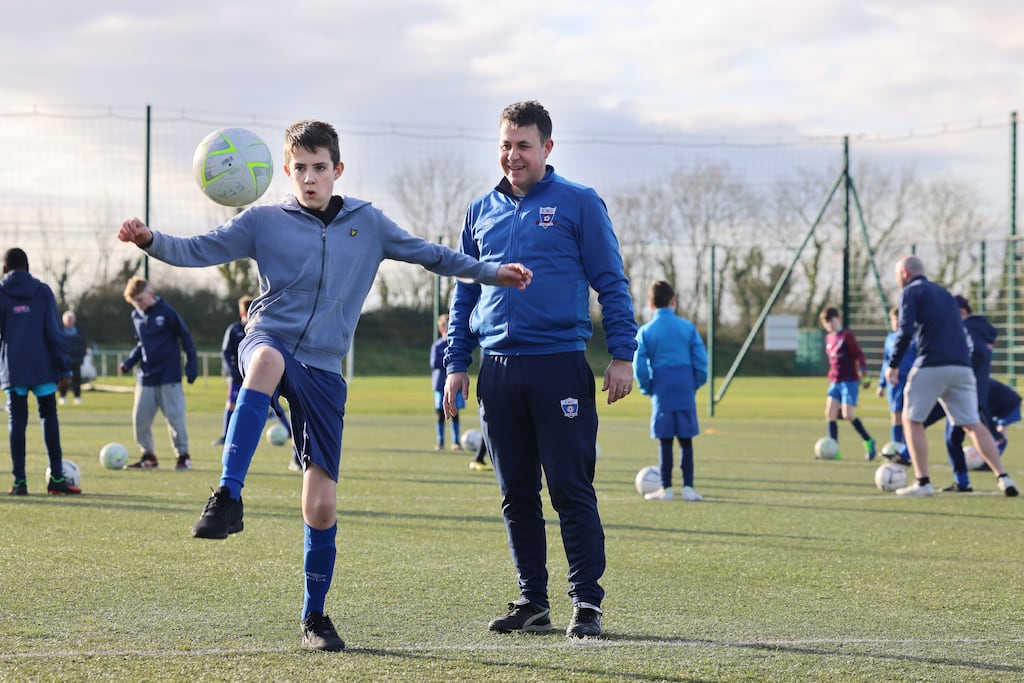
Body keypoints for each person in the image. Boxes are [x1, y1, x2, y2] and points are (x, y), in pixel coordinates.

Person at [116, 119, 532, 652]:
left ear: (338, 170)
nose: (310, 179)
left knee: (322, 505)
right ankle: (227, 495)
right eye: (301, 170)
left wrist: (492, 272)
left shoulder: (369, 222)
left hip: (326, 368)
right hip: (270, 336)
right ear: (286, 172)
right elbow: (199, 249)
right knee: (263, 359)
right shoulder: (263, 221)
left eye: (320, 169)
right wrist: (150, 240)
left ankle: (314, 617)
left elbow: (433, 255)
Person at [443, 101, 637, 639]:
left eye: (523, 145)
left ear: (547, 148)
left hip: (558, 367)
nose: (512, 155)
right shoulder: (479, 210)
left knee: (570, 489)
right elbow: (464, 293)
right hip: (498, 372)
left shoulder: (579, 203)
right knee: (516, 493)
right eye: (505, 144)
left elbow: (612, 283)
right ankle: (533, 600)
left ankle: (586, 602)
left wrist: (622, 354)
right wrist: (456, 363)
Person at [884, 255, 1017, 497]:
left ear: (904, 273)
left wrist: (893, 364)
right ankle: (1004, 477)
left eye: (896, 276)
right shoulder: (944, 293)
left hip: (932, 363)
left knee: (912, 420)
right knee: (973, 424)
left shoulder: (911, 291)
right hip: (962, 368)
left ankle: (923, 482)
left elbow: (905, 330)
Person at [0, 248, 80, 495]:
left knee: (17, 421)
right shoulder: (43, 291)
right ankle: (56, 478)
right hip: (42, 366)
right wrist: (64, 366)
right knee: (48, 416)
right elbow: (54, 332)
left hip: (13, 368)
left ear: (4, 269)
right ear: (28, 266)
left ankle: (19, 482)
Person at [633, 280, 708, 502]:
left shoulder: (646, 331)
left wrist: (647, 387)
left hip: (662, 387)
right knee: (686, 439)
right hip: (684, 384)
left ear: (650, 304)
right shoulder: (687, 327)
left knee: (664, 439)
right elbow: (701, 361)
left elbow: (639, 364)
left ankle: (665, 489)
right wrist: (694, 383)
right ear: (673, 301)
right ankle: (689, 488)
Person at [119, 276, 197, 471]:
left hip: (169, 376)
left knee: (175, 419)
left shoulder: (167, 312)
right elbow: (141, 344)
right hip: (146, 377)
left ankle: (183, 456)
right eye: (134, 302)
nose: (138, 305)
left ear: (150, 294)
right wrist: (129, 362)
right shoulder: (136, 316)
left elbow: (185, 337)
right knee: (140, 419)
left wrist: (191, 363)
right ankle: (148, 456)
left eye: (140, 300)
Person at [217, 295, 296, 469]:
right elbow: (226, 351)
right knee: (232, 405)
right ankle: (226, 435)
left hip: (262, 375)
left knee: (273, 404)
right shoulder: (235, 329)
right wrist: (232, 371)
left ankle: (289, 430)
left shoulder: (261, 328)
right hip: (238, 378)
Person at [819, 306, 876, 460]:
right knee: (829, 413)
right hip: (835, 381)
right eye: (826, 323)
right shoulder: (829, 338)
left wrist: (864, 375)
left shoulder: (847, 336)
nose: (830, 325)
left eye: (832, 321)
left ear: (838, 319)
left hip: (849, 381)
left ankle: (868, 441)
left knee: (848, 414)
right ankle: (834, 449)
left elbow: (859, 355)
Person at [878, 306, 916, 466]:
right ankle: (896, 447)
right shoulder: (889, 339)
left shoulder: (913, 338)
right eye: (893, 320)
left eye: (898, 319)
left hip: (911, 381)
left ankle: (907, 449)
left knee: (910, 417)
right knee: (896, 415)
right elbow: (886, 363)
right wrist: (881, 384)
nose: (895, 323)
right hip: (894, 383)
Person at [429, 313, 462, 450]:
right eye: (445, 326)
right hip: (439, 385)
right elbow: (434, 363)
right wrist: (449, 361)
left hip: (455, 386)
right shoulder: (437, 346)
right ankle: (440, 442)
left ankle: (456, 442)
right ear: (441, 329)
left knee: (455, 412)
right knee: (440, 414)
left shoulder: (455, 346)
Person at [58, 310, 87, 405]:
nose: (69, 321)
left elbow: (83, 346)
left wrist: (81, 357)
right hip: (63, 360)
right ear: (63, 321)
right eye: (68, 319)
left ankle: (77, 397)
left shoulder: (79, 332)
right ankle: (62, 397)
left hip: (76, 360)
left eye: (71, 319)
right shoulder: (59, 332)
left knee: (77, 379)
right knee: (63, 379)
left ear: (74, 320)